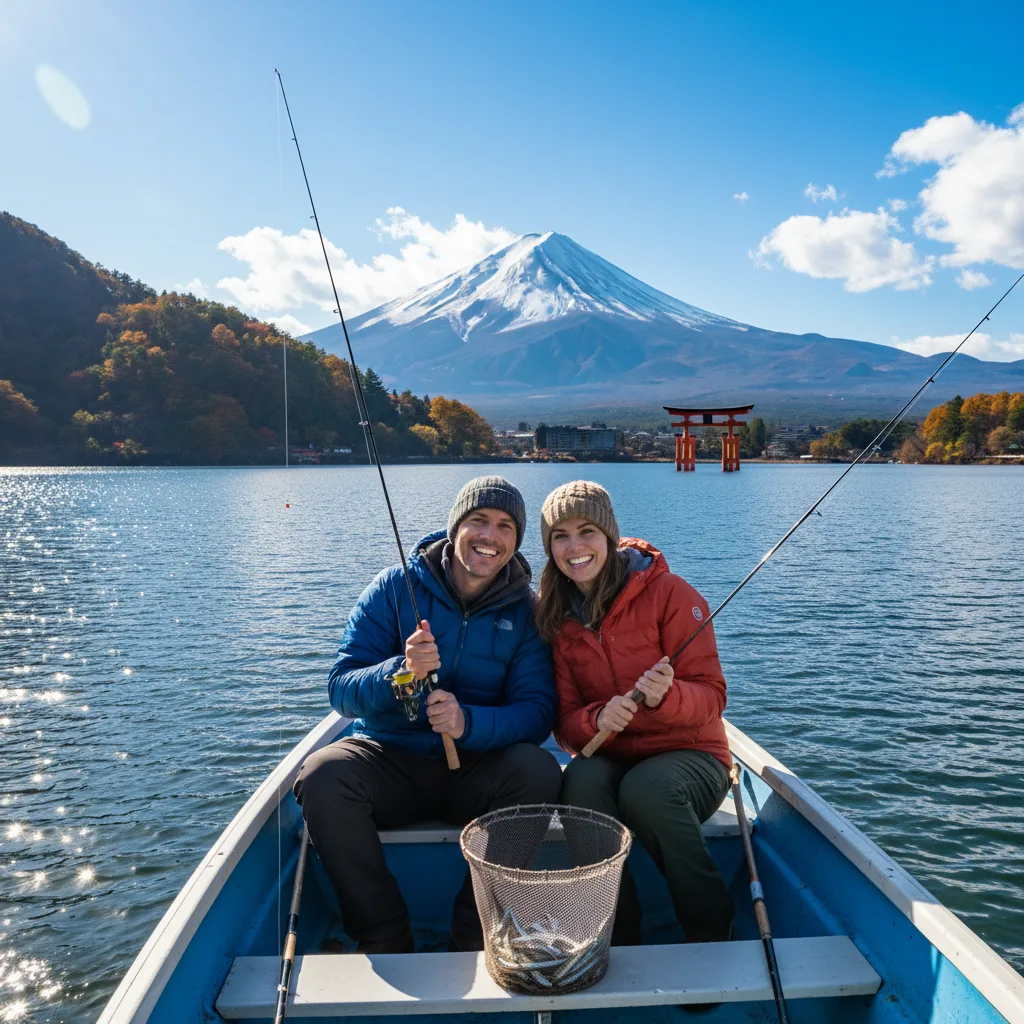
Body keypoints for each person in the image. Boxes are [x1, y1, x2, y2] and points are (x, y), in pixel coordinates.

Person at [294, 476, 561, 953]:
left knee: (539, 770)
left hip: (474, 771)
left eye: (505, 526)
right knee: (322, 774)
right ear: (455, 527)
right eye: (478, 520)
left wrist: (468, 723)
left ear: (516, 541)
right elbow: (341, 690)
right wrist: (400, 672)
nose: (490, 536)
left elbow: (536, 713)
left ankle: (476, 932)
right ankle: (382, 935)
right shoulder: (393, 587)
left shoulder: (527, 610)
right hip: (390, 761)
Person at [536, 480, 734, 945]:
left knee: (647, 788)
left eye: (586, 531)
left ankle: (710, 926)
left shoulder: (671, 593)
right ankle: (615, 928)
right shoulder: (556, 615)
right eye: (560, 536)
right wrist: (596, 720)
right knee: (579, 782)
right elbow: (565, 722)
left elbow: (713, 696)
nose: (574, 546)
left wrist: (668, 696)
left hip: (694, 756)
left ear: (608, 535)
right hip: (613, 755)